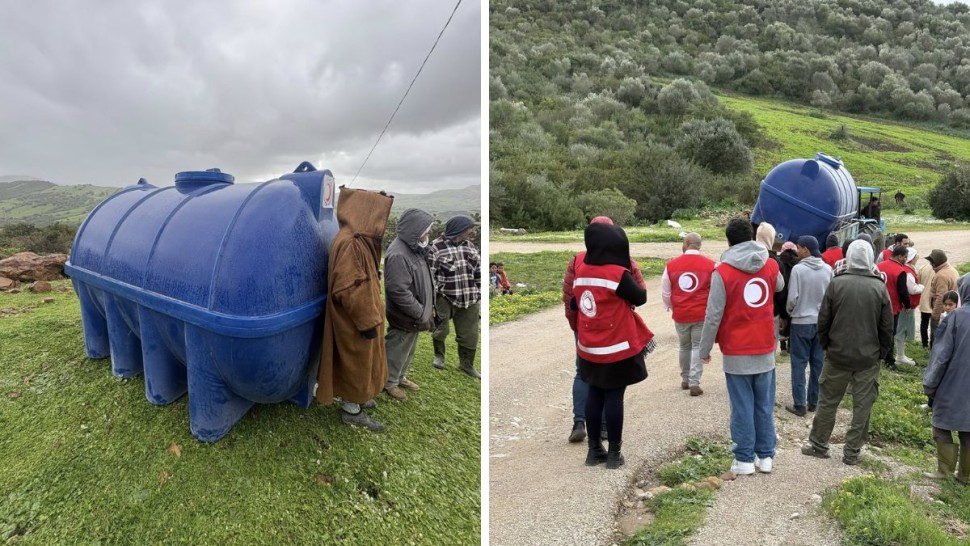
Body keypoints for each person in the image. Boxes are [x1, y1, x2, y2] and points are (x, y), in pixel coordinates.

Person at [699, 218, 784, 475]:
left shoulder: (722, 272)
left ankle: (744, 459)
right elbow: (779, 285)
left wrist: (704, 349)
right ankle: (765, 456)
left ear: (728, 241)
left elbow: (713, 315)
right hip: (765, 347)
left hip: (736, 351)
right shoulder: (770, 264)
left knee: (742, 407)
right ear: (751, 237)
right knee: (764, 405)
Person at [802, 241, 893, 465]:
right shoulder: (879, 287)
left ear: (849, 258)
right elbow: (887, 327)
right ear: (871, 258)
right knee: (862, 406)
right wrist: (880, 353)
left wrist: (827, 345)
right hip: (868, 358)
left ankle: (818, 444)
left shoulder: (836, 283)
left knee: (828, 401)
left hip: (837, 355)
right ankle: (852, 452)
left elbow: (823, 320)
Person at [573, 221, 654, 469]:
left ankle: (594, 450)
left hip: (588, 347)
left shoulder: (581, 271)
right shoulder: (616, 274)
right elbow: (640, 297)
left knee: (594, 394)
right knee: (614, 397)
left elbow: (575, 304)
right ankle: (614, 453)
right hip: (615, 347)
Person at [316, 187, 394, 432]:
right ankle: (352, 410)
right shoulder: (351, 243)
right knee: (355, 364)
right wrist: (367, 320)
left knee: (362, 363)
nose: (380, 224)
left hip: (360, 318)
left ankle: (360, 396)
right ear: (365, 212)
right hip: (354, 320)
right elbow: (350, 288)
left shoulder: (354, 238)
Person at [383, 208, 436, 402]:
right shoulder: (399, 254)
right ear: (415, 229)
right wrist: (420, 312)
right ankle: (389, 381)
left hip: (416, 315)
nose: (429, 233)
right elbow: (398, 290)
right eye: (427, 229)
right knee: (397, 348)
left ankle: (399, 377)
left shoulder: (414, 248)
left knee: (408, 349)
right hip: (407, 314)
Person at [922, 277, 970, 482]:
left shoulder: (955, 317)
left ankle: (944, 471)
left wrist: (930, 384)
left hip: (953, 382)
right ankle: (966, 475)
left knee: (941, 424)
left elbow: (940, 356)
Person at [661, 232, 715, 397]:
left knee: (684, 346)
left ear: (686, 243)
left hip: (681, 314)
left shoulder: (671, 265)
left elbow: (665, 292)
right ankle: (694, 382)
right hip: (701, 313)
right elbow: (715, 291)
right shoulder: (711, 265)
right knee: (698, 346)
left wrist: (672, 307)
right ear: (699, 245)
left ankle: (685, 379)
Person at [428, 215, 482, 379]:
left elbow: (478, 271)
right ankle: (439, 356)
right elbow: (430, 276)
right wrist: (433, 299)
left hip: (470, 298)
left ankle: (467, 364)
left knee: (470, 333)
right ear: (459, 229)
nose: (472, 231)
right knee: (441, 329)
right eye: (469, 228)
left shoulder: (470, 246)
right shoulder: (436, 247)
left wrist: (479, 292)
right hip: (445, 297)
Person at [785, 235, 832, 417]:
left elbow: (792, 298)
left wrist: (791, 312)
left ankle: (799, 404)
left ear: (806, 249)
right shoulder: (827, 269)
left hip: (801, 322)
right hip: (820, 323)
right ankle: (814, 402)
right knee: (818, 363)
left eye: (799, 247)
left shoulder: (798, 270)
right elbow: (831, 297)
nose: (797, 250)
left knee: (799, 363)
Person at [877, 245, 922, 369]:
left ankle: (876, 355)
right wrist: (907, 306)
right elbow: (903, 292)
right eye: (905, 257)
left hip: (877, 303)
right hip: (892, 306)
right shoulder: (900, 271)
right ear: (899, 256)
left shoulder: (879, 265)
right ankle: (889, 360)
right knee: (890, 333)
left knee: (876, 330)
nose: (906, 259)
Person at [894, 247, 924, 365]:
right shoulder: (907, 271)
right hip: (906, 306)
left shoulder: (909, 269)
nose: (917, 258)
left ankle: (901, 355)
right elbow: (912, 289)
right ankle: (900, 356)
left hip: (908, 306)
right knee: (901, 330)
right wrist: (921, 287)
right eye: (916, 256)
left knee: (903, 329)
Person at [927, 249, 959, 347]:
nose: (930, 264)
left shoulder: (941, 275)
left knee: (937, 338)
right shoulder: (951, 269)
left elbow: (941, 297)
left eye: (931, 262)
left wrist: (935, 316)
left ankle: (934, 353)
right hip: (952, 311)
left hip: (942, 313)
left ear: (934, 263)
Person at [777, 240, 800, 354]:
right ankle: (791, 345)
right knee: (792, 319)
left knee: (782, 319)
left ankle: (782, 347)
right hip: (793, 294)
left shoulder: (779, 261)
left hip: (782, 293)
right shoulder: (798, 262)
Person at [917, 253, 936, 348]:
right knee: (935, 325)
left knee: (924, 323)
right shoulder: (939, 270)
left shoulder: (922, 268)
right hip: (935, 301)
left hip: (924, 300)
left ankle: (924, 344)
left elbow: (918, 283)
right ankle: (933, 344)